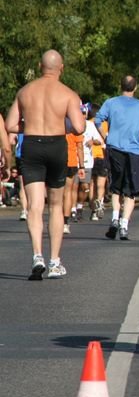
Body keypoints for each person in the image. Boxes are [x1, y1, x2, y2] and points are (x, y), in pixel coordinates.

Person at [4, 50, 85, 279]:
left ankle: (37, 255)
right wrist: (62, 124)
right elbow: (79, 128)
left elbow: (11, 125)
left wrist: (30, 126)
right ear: (62, 68)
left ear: (40, 66)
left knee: (34, 205)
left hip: (31, 145)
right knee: (56, 205)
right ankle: (55, 261)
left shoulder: (25, 92)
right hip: (57, 145)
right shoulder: (68, 94)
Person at [95, 75, 139, 241]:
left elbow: (98, 120)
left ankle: (115, 217)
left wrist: (105, 136)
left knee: (116, 186)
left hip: (115, 147)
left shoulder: (111, 102)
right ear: (135, 88)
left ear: (119, 86)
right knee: (131, 190)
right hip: (135, 151)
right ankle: (124, 225)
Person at [62, 123, 85, 233]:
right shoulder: (75, 126)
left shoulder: (57, 122)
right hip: (71, 162)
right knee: (67, 192)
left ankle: (55, 220)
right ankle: (65, 223)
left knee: (55, 193)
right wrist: (82, 166)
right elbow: (80, 148)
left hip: (56, 160)